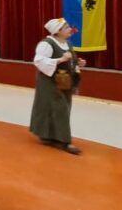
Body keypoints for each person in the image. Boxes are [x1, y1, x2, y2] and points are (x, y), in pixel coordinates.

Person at [30, 18, 87, 155]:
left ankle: (48, 136)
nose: (70, 29)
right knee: (60, 109)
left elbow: (70, 61)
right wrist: (61, 59)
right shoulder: (47, 44)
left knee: (63, 107)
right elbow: (39, 61)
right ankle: (64, 141)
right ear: (58, 31)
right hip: (50, 82)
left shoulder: (68, 44)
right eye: (66, 27)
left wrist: (78, 62)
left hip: (65, 82)